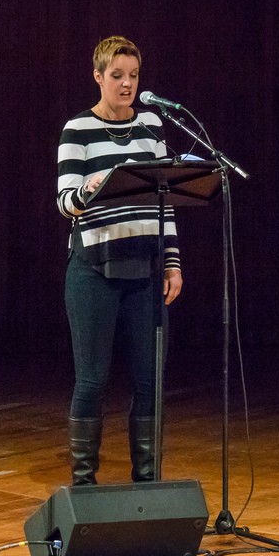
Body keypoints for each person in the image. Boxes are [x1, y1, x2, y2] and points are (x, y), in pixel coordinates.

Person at [56, 36, 183, 485]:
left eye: (132, 76)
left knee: (150, 381)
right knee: (92, 378)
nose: (126, 84)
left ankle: (146, 483)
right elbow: (64, 202)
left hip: (146, 268)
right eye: (117, 76)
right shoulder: (78, 129)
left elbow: (166, 201)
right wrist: (86, 192)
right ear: (98, 77)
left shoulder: (151, 127)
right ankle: (85, 485)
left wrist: (172, 261)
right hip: (94, 268)